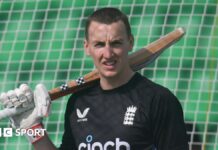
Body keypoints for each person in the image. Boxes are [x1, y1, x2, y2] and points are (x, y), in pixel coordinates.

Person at [0, 7, 189, 150]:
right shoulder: (78, 101)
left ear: (130, 43)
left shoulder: (158, 100)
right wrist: (33, 129)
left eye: (115, 43)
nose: (108, 54)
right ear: (87, 47)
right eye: (99, 44)